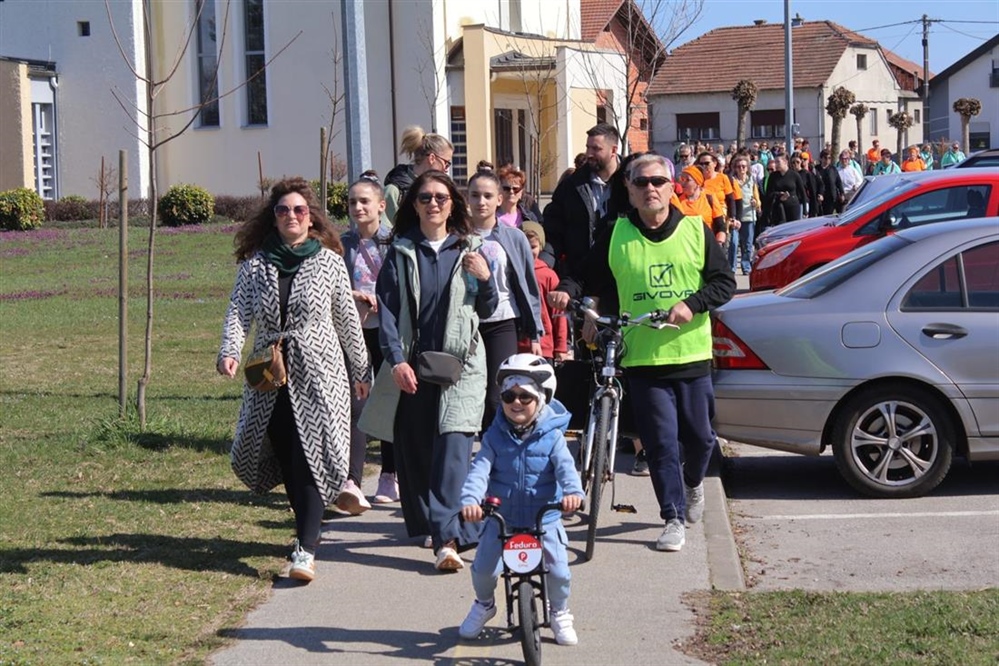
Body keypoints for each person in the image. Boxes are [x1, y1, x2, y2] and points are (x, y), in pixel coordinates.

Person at [554, 154, 735, 552]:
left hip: (690, 353)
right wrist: (570, 289)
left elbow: (724, 283)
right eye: (640, 183)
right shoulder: (616, 233)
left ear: (673, 188)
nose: (649, 189)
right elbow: (586, 273)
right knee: (660, 442)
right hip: (642, 358)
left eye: (657, 182)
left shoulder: (695, 230)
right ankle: (671, 517)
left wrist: (693, 303)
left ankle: (692, 486)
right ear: (629, 191)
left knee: (701, 438)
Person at [217, 176, 371, 583]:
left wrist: (361, 371)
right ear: (273, 217)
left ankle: (305, 547)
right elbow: (238, 312)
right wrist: (230, 351)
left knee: (309, 457)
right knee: (287, 455)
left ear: (311, 217)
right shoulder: (256, 265)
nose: (291, 216)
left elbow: (346, 321)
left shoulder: (328, 262)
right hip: (271, 376)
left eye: (299, 210)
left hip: (321, 372)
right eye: (283, 210)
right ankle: (308, 527)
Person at [359, 170, 498, 571]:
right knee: (416, 453)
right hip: (414, 367)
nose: (433, 203)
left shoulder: (470, 250)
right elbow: (386, 310)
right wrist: (397, 360)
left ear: (453, 203)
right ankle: (443, 527)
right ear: (414, 205)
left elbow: (485, 310)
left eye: (441, 197)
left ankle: (447, 539)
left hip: (463, 369)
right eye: (425, 198)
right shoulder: (402, 252)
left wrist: (485, 281)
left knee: (453, 453)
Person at [458, 354, 584, 645]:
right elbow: (479, 470)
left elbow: (566, 468)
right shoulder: (493, 437)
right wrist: (471, 500)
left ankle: (560, 611)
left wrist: (573, 494)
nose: (516, 402)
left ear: (540, 399)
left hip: (545, 518)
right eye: (508, 395)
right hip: (504, 520)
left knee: (559, 572)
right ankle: (484, 605)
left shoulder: (552, 438)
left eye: (525, 397)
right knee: (483, 569)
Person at [466, 167, 545, 430]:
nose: (481, 202)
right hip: (467, 322)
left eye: (488, 196)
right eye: (475, 195)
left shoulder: (514, 237)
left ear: (499, 199)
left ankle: (496, 450)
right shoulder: (457, 237)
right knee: (469, 390)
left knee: (498, 392)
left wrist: (535, 334)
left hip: (503, 320)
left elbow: (527, 286)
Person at [341, 171, 398, 507]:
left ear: (381, 205)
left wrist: (381, 298)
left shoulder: (396, 242)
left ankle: (391, 475)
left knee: (387, 401)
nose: (358, 207)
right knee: (357, 404)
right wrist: (354, 294)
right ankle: (352, 479)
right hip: (354, 332)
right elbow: (336, 283)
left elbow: (404, 286)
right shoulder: (344, 243)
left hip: (388, 333)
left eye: (364, 201)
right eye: (352, 202)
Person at [543, 123, 622, 298]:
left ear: (613, 150)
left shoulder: (630, 184)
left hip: (622, 277)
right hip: (580, 277)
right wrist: (543, 264)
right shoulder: (571, 186)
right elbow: (554, 230)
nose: (589, 154)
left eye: (596, 149)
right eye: (588, 147)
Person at [518, 221, 569, 362]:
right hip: (516, 346)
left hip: (544, 347)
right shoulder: (512, 273)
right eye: (524, 246)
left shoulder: (548, 275)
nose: (528, 251)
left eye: (533, 247)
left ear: (541, 247)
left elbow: (559, 314)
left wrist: (561, 347)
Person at [383, 126, 454, 223]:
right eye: (446, 163)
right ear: (432, 158)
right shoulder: (394, 191)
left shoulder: (444, 189)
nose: (446, 170)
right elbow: (386, 231)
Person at [728, 155, 760, 274]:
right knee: (734, 244)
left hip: (749, 215)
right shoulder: (732, 180)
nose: (741, 168)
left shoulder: (751, 179)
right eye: (738, 166)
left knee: (747, 245)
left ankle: (746, 267)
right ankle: (732, 268)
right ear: (735, 168)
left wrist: (756, 202)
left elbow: (757, 197)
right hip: (735, 216)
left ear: (747, 168)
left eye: (743, 166)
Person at [762, 153, 805, 229]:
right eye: (775, 162)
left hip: (793, 206)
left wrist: (805, 210)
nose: (776, 164)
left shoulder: (794, 175)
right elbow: (769, 193)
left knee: (793, 229)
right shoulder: (773, 176)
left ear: (785, 162)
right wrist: (779, 195)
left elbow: (802, 193)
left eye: (778, 162)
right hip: (778, 207)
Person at [814, 150, 844, 216]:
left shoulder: (833, 169)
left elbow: (838, 182)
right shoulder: (816, 169)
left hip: (831, 197)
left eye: (829, 158)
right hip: (821, 198)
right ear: (821, 158)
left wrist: (842, 193)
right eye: (825, 158)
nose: (827, 160)